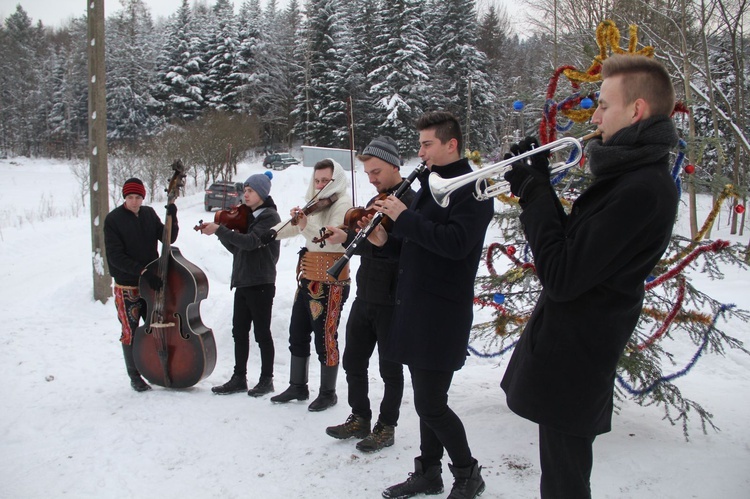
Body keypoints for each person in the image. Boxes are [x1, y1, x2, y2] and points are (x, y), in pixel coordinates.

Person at [500, 54, 680, 498]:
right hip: (569, 354)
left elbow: (561, 274)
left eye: (603, 105)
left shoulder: (643, 189)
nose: (594, 116)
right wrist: (536, 185)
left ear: (636, 111)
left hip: (578, 360)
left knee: (565, 484)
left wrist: (535, 192)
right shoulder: (627, 177)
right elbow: (576, 253)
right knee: (561, 478)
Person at [367, 112, 494, 499]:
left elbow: (456, 243)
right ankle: (429, 472)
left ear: (450, 144)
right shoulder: (430, 181)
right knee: (426, 401)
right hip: (415, 305)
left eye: (426, 144)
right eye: (420, 144)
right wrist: (385, 240)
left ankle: (468, 473)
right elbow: (417, 241)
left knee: (431, 403)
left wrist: (404, 218)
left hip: (442, 311)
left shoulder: (474, 187)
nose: (419, 152)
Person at [323, 136, 416, 452]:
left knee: (390, 369)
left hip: (394, 300)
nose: (372, 179)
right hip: (366, 295)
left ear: (394, 165)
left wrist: (382, 241)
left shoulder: (410, 202)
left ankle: (386, 427)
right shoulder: (378, 202)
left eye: (376, 172)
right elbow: (370, 242)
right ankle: (360, 417)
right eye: (368, 174)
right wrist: (347, 235)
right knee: (353, 361)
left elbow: (409, 251)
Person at [266, 158, 353, 412]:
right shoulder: (314, 203)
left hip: (330, 281)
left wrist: (304, 223)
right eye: (317, 180)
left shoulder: (343, 203)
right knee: (297, 332)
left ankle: (328, 392)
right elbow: (296, 228)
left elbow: (329, 239)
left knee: (326, 338)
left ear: (335, 180)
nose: (321, 185)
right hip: (308, 277)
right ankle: (298, 385)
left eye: (326, 180)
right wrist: (273, 233)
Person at [198, 172, 281, 397]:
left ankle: (267, 380)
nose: (245, 194)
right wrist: (220, 234)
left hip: (261, 281)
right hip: (244, 280)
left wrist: (221, 229)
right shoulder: (247, 216)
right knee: (239, 331)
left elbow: (252, 243)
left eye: (250, 190)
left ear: (262, 193)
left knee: (262, 332)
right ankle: (239, 378)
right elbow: (238, 249)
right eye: (245, 190)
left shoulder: (270, 217)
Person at [104, 177, 179, 392]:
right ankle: (134, 375)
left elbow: (168, 239)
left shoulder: (148, 214)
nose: (134, 201)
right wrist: (142, 271)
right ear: (124, 198)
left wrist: (173, 216)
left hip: (152, 283)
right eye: (130, 197)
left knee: (158, 325)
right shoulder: (114, 220)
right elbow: (116, 257)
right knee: (131, 330)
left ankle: (159, 366)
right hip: (128, 286)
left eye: (138, 197)